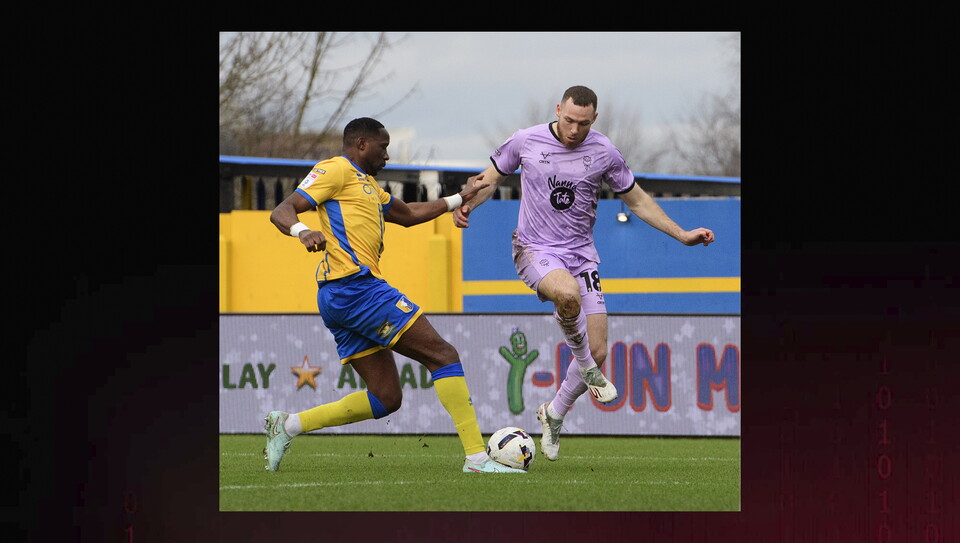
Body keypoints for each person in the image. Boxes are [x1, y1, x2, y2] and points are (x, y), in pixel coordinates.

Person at [453, 86, 715, 461]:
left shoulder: (604, 151)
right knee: (567, 295)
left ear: (595, 118)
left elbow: (637, 199)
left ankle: (554, 412)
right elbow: (489, 178)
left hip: (581, 256)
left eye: (584, 123)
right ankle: (590, 372)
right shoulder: (526, 140)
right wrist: (466, 204)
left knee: (598, 348)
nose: (575, 130)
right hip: (535, 248)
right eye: (569, 120)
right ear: (558, 109)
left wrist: (682, 234)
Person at [264, 117, 524, 473]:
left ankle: (288, 425)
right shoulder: (335, 170)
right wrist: (302, 231)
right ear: (361, 144)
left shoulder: (369, 185)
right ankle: (477, 458)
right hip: (356, 288)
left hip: (341, 296)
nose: (387, 155)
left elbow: (408, 214)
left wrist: (458, 198)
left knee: (386, 397)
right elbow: (282, 210)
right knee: (443, 355)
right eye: (383, 147)